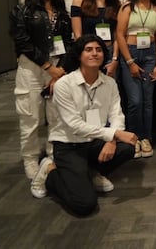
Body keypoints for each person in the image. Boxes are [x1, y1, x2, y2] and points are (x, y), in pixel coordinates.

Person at [29, 35, 136, 216]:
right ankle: (49, 171)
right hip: (69, 145)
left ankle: (90, 171)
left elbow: (117, 115)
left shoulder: (110, 83)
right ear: (79, 55)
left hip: (93, 141)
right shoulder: (64, 85)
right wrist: (115, 134)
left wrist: (112, 140)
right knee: (84, 204)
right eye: (88, 50)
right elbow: (75, 125)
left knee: (127, 148)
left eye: (99, 50)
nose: (94, 53)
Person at [10, 0, 72, 179]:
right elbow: (22, 42)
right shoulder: (22, 10)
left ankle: (53, 154)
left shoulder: (62, 13)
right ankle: (30, 158)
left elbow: (68, 42)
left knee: (56, 116)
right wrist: (47, 67)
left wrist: (60, 69)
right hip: (31, 69)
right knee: (31, 117)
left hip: (57, 69)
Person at [116, 0, 156, 158]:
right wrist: (129, 62)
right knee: (135, 101)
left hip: (150, 55)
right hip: (131, 54)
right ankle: (134, 138)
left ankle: (146, 138)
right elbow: (120, 35)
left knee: (147, 101)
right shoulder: (127, 7)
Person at [70, 0, 120, 78]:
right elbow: (78, 35)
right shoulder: (79, 1)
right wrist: (83, 54)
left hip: (109, 52)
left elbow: (117, 35)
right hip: (88, 52)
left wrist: (115, 59)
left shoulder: (116, 5)